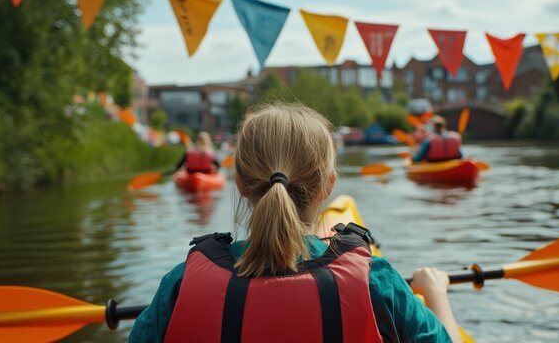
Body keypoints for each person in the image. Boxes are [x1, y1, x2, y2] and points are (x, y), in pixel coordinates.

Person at [130, 104, 463, 343]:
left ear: (242, 185)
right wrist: (436, 293)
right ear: (328, 185)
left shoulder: (179, 283)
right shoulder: (376, 279)